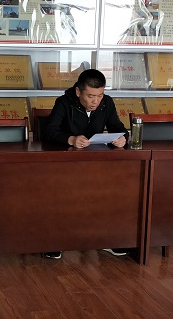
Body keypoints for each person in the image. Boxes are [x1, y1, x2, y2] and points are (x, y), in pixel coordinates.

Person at [40, 68, 130, 260]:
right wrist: (71, 139)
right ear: (78, 91)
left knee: (115, 189)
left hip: (96, 163)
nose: (96, 101)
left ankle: (106, 239)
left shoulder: (107, 103)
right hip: (66, 164)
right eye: (90, 96)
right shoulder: (64, 102)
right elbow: (49, 132)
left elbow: (120, 129)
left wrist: (123, 138)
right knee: (64, 194)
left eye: (100, 95)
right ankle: (55, 241)